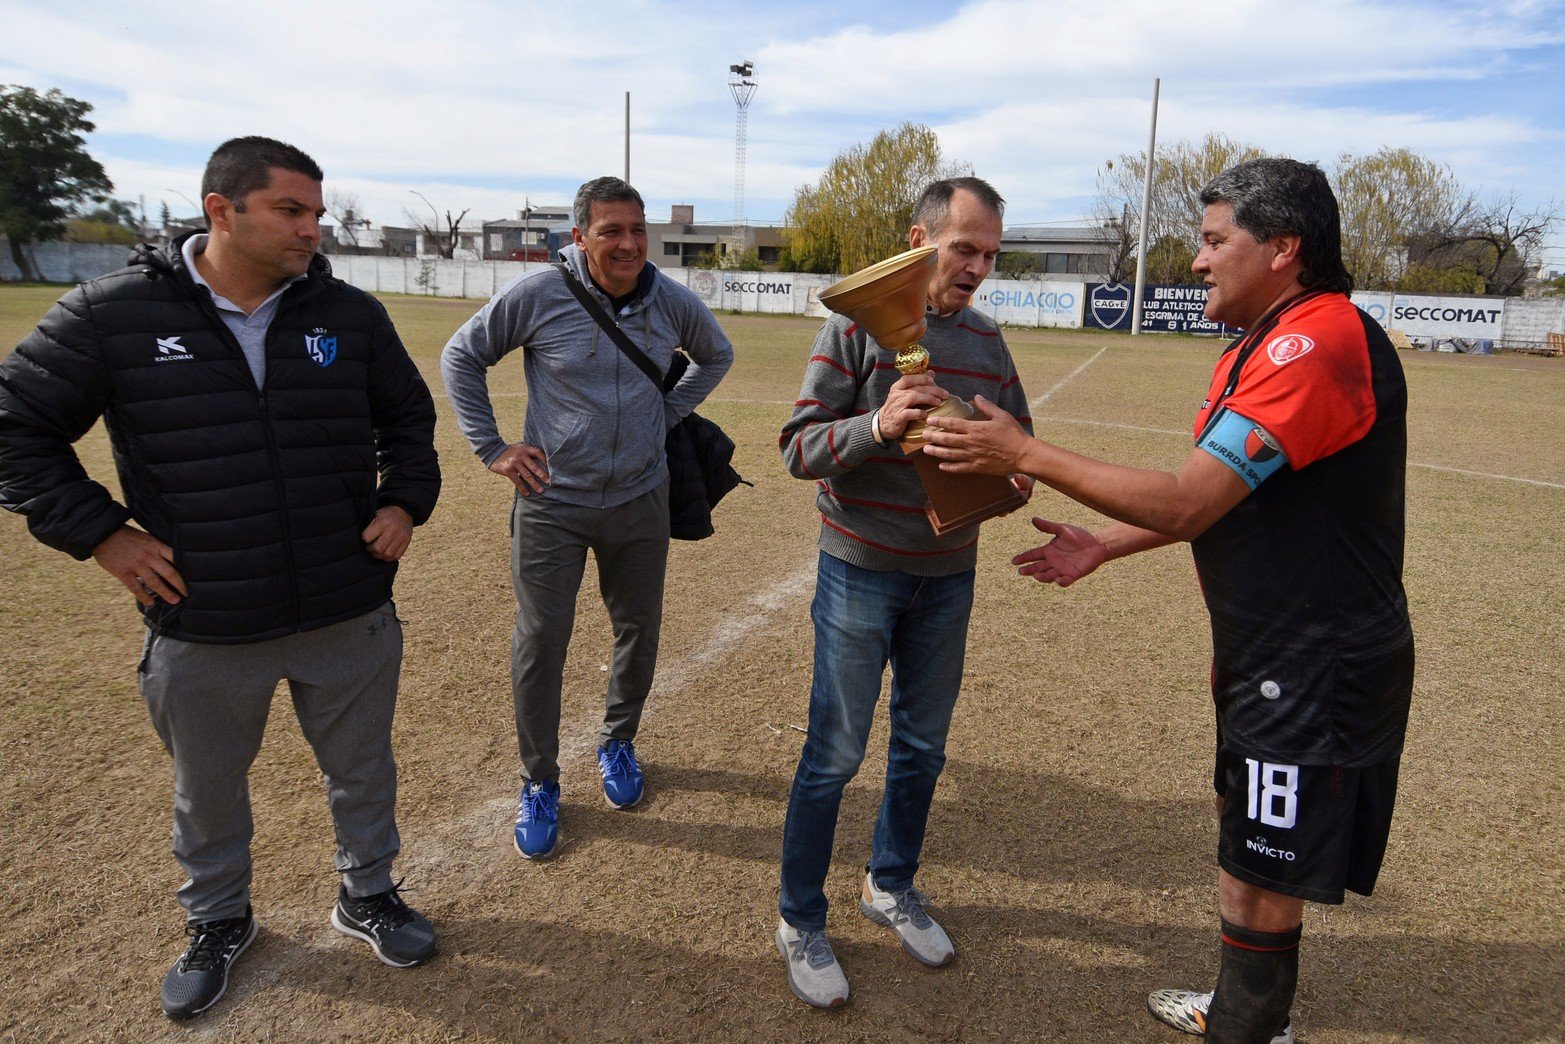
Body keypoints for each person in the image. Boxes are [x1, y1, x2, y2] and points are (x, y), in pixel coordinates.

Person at [923, 158, 1413, 1043]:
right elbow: (1224, 499)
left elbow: (1189, 499)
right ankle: (1245, 1013)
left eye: (1214, 240)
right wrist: (1101, 545)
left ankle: (1250, 1030)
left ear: (1283, 249)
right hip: (1269, 657)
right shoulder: (1262, 343)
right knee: (1244, 852)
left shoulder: (1316, 340)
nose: (1196, 261)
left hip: (1313, 667)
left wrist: (1022, 454)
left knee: (1260, 872)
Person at [0, 136, 442, 1020]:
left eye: (317, 212)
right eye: (291, 210)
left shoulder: (348, 316)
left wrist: (404, 505)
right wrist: (102, 536)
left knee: (362, 771)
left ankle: (368, 895)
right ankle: (217, 920)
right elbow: (15, 429)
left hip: (345, 605)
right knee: (206, 791)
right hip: (204, 618)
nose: (312, 229)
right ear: (220, 209)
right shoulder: (108, 314)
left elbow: (408, 420)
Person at [774, 177, 1034, 1007]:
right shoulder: (850, 330)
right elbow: (795, 449)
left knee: (921, 749)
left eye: (989, 254)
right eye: (965, 249)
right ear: (920, 239)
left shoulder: (989, 344)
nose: (978, 269)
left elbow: (1020, 448)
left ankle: (888, 886)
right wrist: (877, 427)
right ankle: (799, 919)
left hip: (948, 578)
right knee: (835, 756)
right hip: (858, 570)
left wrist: (1009, 475)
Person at [440, 176, 733, 860]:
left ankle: (619, 742)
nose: (628, 244)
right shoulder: (539, 295)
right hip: (553, 503)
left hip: (640, 497)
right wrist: (492, 448)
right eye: (611, 231)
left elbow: (716, 355)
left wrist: (665, 412)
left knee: (638, 627)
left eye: (637, 230)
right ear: (579, 238)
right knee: (541, 640)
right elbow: (462, 355)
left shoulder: (671, 301)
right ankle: (538, 780)